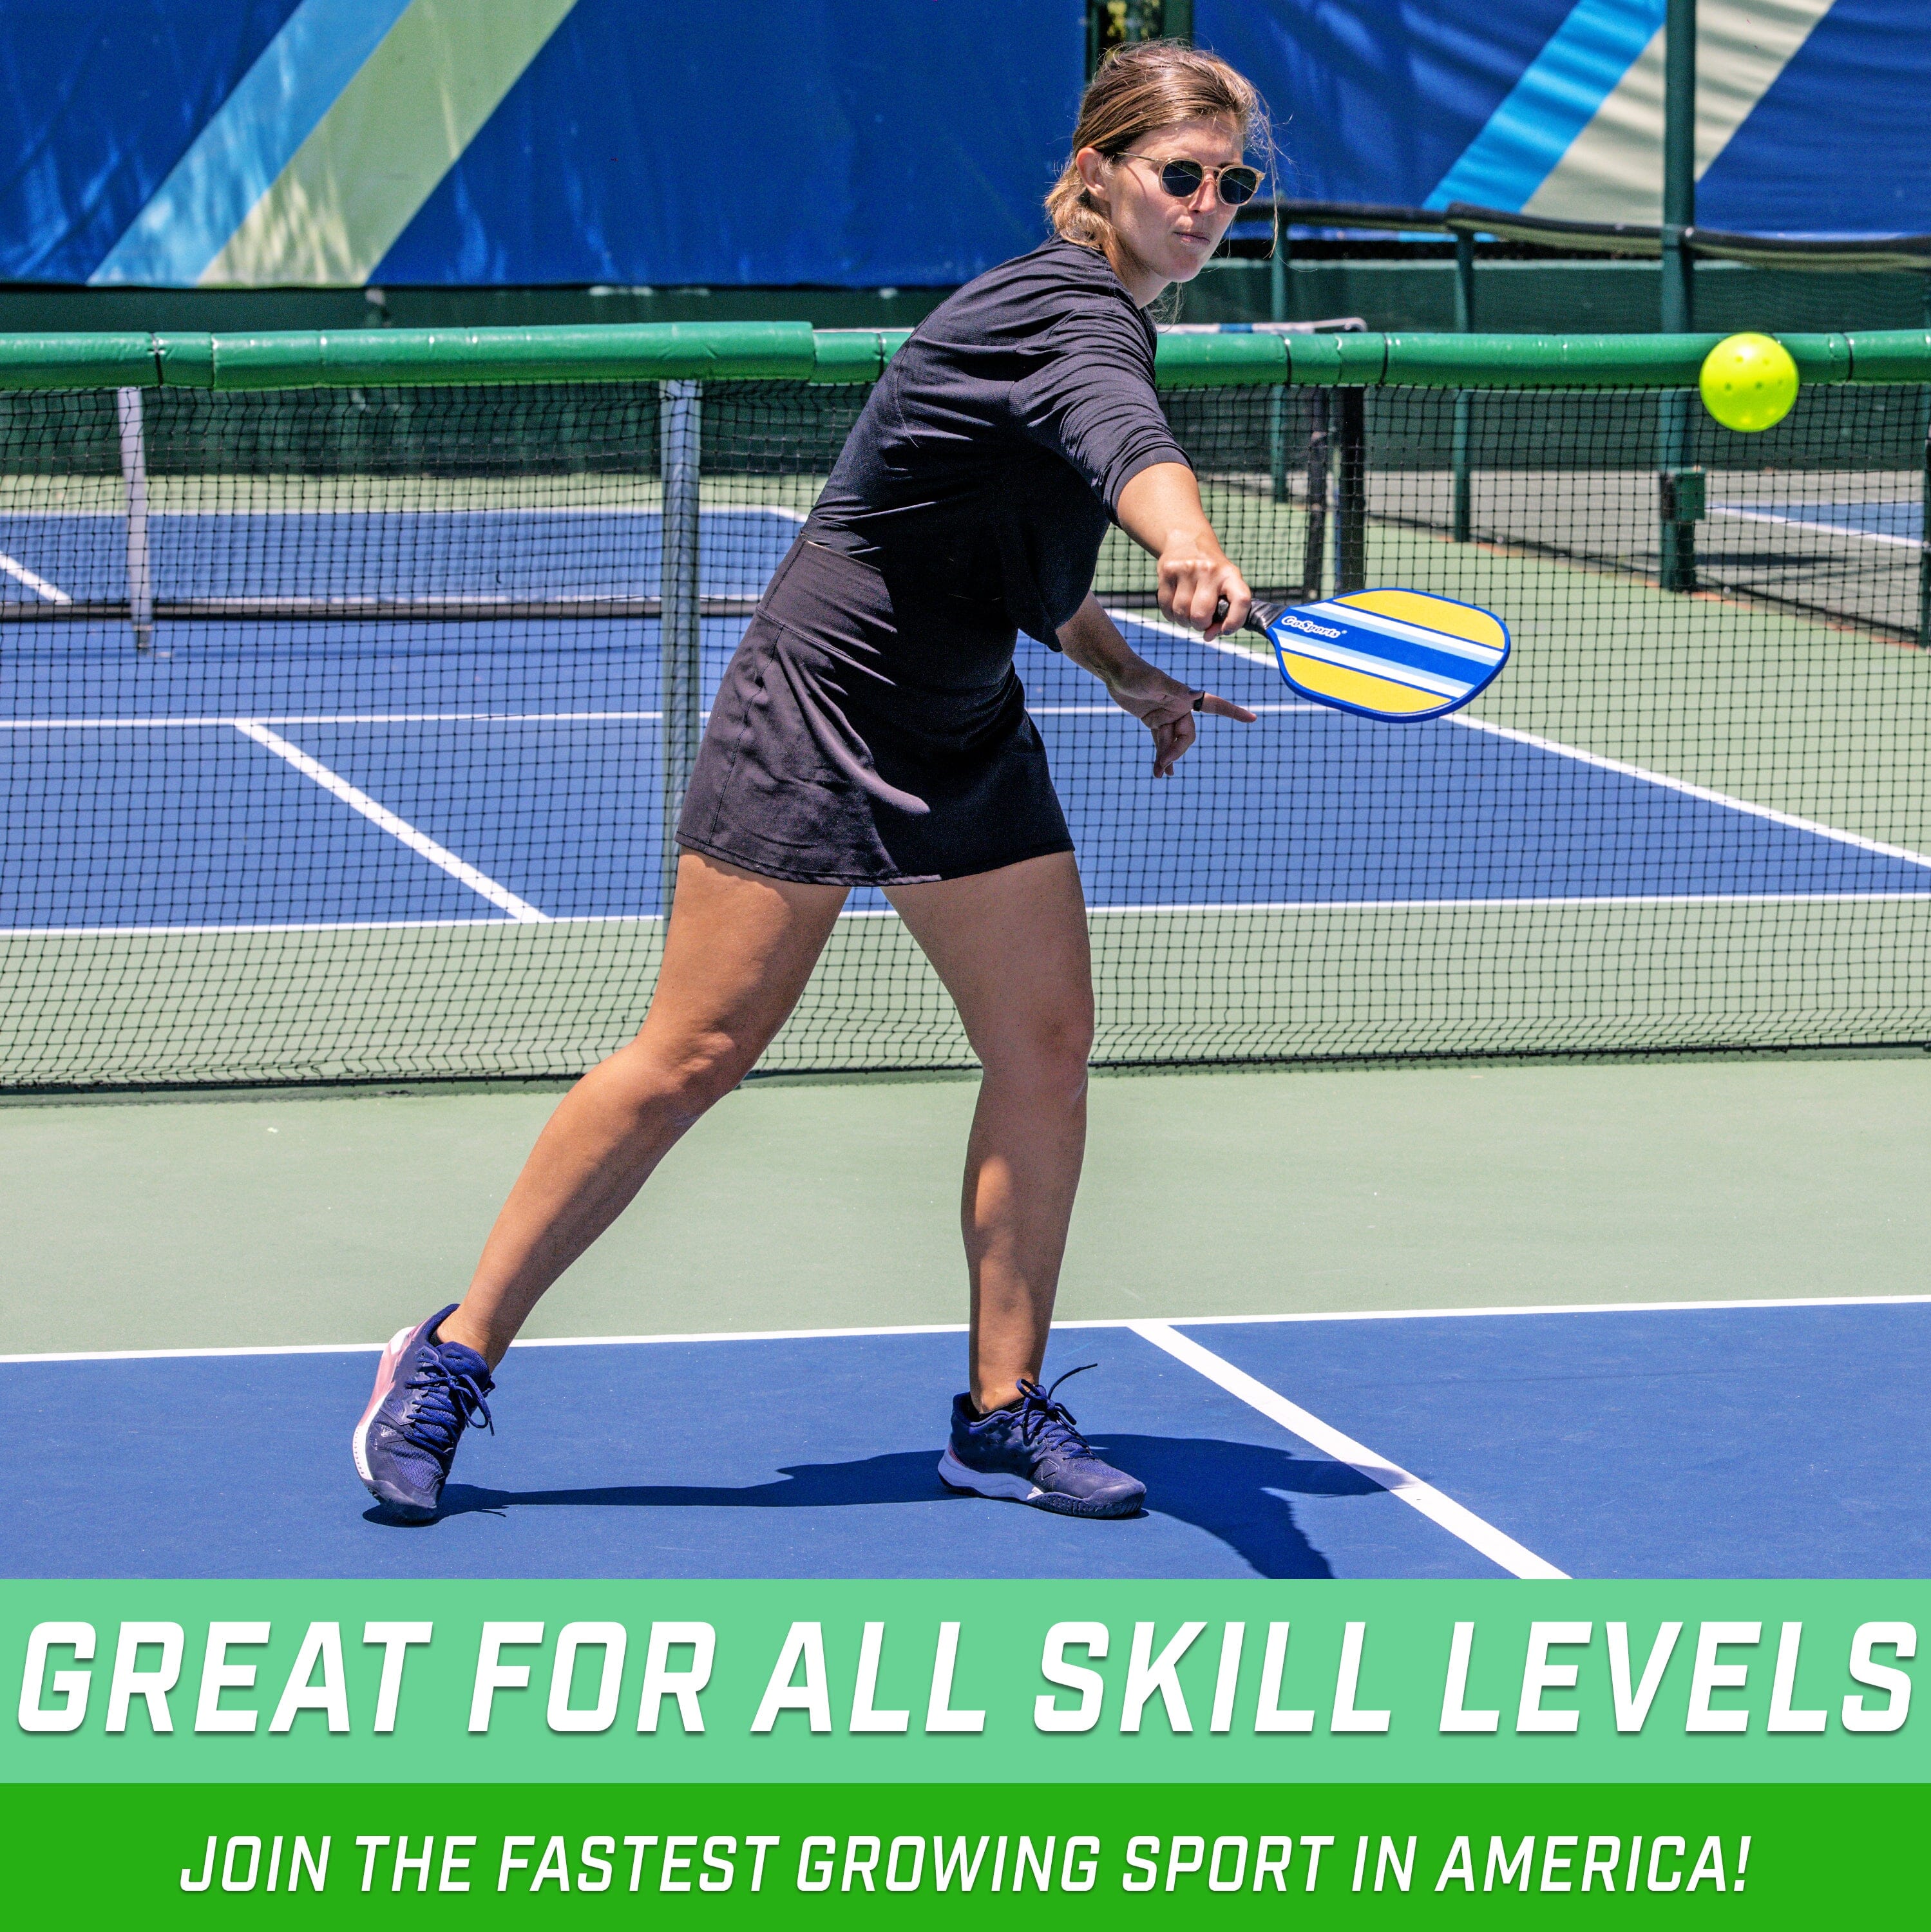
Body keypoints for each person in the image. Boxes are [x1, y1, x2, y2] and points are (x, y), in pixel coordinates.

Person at [354, 40, 1268, 1523]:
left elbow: (1018, 560)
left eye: (1236, 182)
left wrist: (1128, 668)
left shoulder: (1097, 323)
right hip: (822, 708)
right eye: (1184, 173)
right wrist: (1186, 539)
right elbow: (1127, 443)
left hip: (961, 722)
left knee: (1045, 1047)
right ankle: (447, 1360)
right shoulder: (1067, 307)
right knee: (695, 1055)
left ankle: (1001, 1409)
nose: (1212, 202)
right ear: (1097, 172)